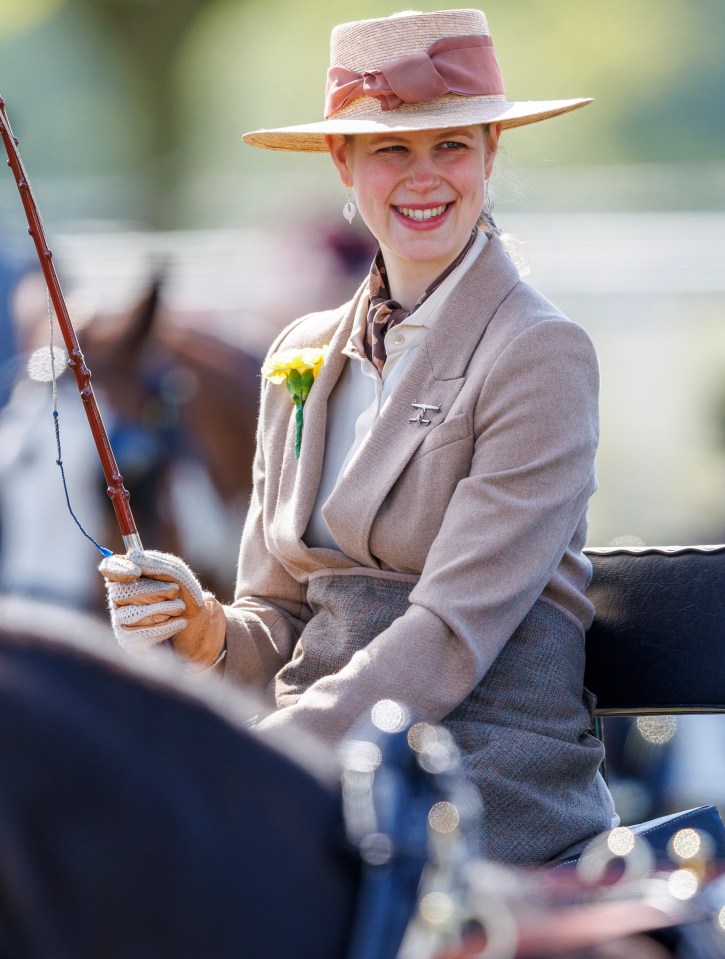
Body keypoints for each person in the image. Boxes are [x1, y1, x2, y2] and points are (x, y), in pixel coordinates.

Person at [100, 8, 617, 865]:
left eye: (450, 146)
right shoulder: (299, 355)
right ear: (343, 163)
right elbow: (278, 615)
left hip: (480, 781)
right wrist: (204, 631)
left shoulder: (540, 353)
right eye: (390, 150)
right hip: (320, 767)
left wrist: (266, 754)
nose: (424, 178)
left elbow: (450, 632)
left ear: (490, 153)